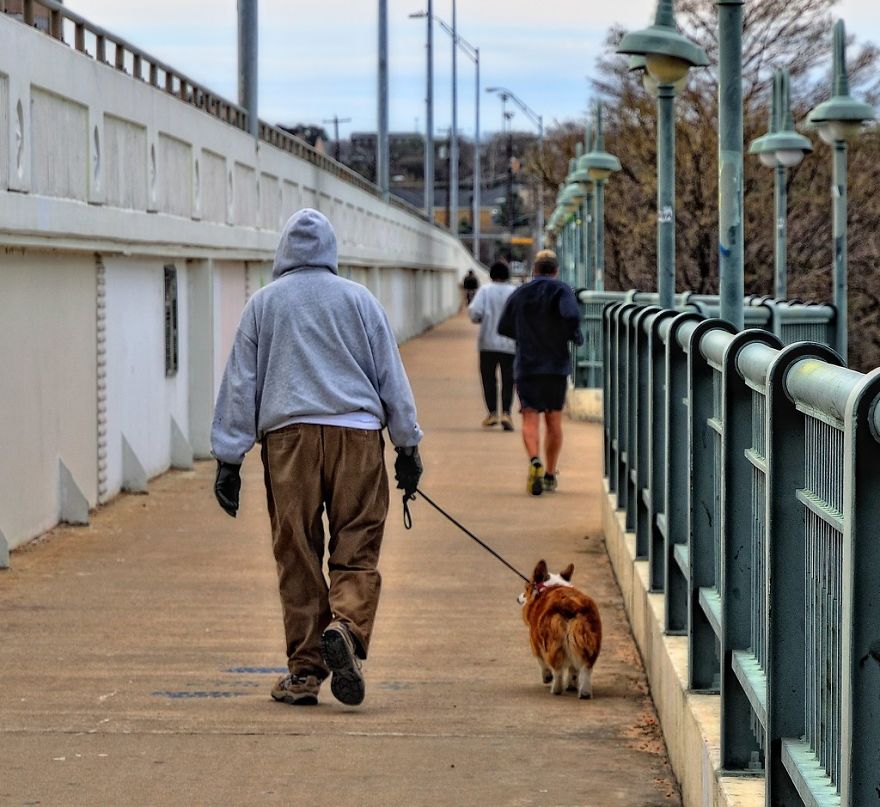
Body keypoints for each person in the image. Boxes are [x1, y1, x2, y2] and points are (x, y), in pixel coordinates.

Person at [211, 208, 423, 708]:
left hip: (290, 438)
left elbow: (242, 382)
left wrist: (228, 458)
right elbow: (391, 374)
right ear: (331, 251)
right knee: (358, 543)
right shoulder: (360, 300)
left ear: (283, 252)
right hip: (358, 436)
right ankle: (346, 628)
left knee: (298, 552)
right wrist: (407, 444)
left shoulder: (264, 304)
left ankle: (305, 673)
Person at [497, 249, 583, 496]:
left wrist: (524, 336)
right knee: (554, 420)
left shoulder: (521, 292)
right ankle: (549, 474)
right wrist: (571, 335)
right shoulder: (562, 290)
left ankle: (534, 460)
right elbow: (571, 315)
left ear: (534, 270)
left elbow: (503, 325)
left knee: (529, 416)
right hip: (555, 366)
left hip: (527, 365)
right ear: (555, 271)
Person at [468, 260, 516, 431]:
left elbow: (475, 312)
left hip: (487, 342)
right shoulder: (514, 291)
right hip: (510, 343)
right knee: (508, 379)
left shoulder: (485, 291)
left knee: (488, 378)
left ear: (491, 275)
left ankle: (492, 413)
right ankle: (507, 413)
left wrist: (482, 319)